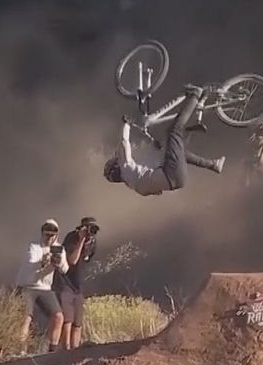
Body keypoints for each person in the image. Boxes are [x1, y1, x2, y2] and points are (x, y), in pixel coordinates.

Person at [103, 85, 225, 196]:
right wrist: (127, 124)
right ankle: (195, 95)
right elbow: (124, 142)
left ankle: (213, 165)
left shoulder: (134, 186)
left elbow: (158, 192)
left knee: (177, 152)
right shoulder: (126, 168)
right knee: (173, 130)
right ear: (116, 167)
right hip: (171, 172)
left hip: (177, 181)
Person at [15, 218, 70, 351]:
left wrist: (58, 263)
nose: (49, 237)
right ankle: (20, 349)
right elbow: (31, 261)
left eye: (52, 235)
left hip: (45, 288)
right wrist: (44, 260)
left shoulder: (59, 249)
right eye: (47, 234)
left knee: (58, 316)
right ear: (42, 233)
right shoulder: (34, 246)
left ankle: (52, 349)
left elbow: (65, 269)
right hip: (27, 286)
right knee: (26, 317)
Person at [54, 217, 99, 350]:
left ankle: (75, 349)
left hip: (78, 285)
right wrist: (80, 240)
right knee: (68, 319)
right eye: (89, 228)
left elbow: (87, 259)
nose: (91, 232)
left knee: (78, 322)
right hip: (66, 283)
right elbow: (72, 261)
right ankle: (66, 349)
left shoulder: (92, 242)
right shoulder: (71, 238)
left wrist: (87, 243)